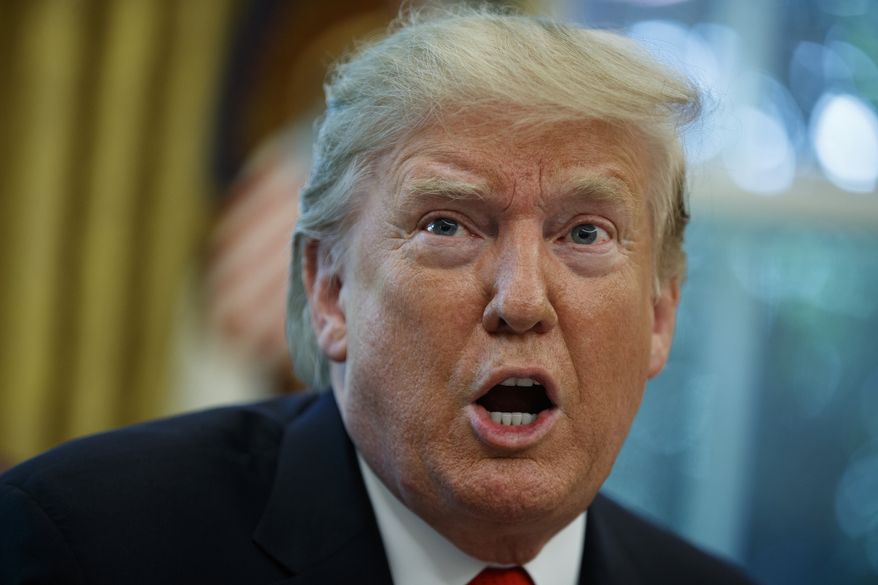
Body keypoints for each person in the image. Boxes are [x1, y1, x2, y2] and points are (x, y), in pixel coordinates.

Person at [0, 8, 757, 584]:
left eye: (585, 235)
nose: (522, 299)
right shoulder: (81, 544)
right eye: (448, 224)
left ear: (661, 314)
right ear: (329, 292)